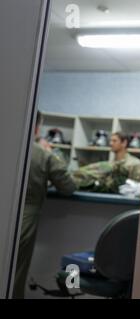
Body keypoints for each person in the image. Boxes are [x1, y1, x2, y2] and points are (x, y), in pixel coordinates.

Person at [13, 111, 76, 298]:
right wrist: (51, 154)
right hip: (24, 215)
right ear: (37, 127)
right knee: (15, 271)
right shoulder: (41, 153)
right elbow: (68, 187)